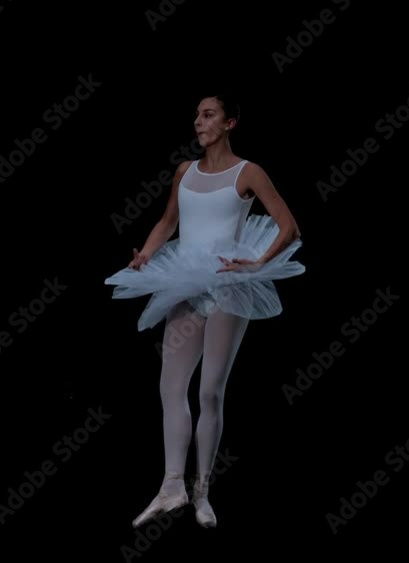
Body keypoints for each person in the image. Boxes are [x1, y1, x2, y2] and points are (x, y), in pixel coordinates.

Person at [105, 93, 305, 528]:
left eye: (208, 114)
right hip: (187, 282)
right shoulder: (185, 171)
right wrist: (146, 256)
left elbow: (289, 227)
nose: (199, 121)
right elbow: (168, 222)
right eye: (196, 115)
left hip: (228, 285)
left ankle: (202, 492)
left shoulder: (248, 172)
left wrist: (257, 263)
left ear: (230, 123)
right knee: (170, 385)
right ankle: (171, 486)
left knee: (210, 391)